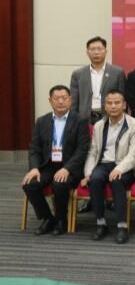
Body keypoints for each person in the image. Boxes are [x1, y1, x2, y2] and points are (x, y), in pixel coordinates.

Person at [22, 85, 89, 236]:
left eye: (64, 98)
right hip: (49, 165)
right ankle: (47, 218)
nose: (60, 102)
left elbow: (82, 150)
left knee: (59, 184)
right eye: (56, 98)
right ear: (50, 101)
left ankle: (61, 220)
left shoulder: (80, 121)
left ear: (70, 100)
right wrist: (34, 168)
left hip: (70, 167)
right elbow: (34, 148)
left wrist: (67, 168)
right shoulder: (42, 121)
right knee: (29, 184)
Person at [81, 89, 135, 244]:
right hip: (103, 164)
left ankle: (122, 226)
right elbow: (93, 152)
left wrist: (119, 169)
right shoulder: (99, 125)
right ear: (105, 106)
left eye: (117, 103)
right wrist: (88, 173)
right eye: (109, 103)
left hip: (126, 166)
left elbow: (134, 155)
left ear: (124, 105)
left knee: (117, 180)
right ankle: (101, 224)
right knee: (95, 180)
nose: (113, 106)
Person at [70, 36, 125, 124]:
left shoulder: (117, 72)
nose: (96, 52)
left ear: (105, 51)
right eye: (92, 49)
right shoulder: (78, 74)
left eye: (99, 49)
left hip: (110, 118)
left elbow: (123, 98)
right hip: (85, 119)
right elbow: (73, 101)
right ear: (87, 52)